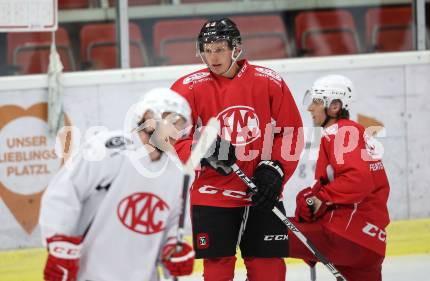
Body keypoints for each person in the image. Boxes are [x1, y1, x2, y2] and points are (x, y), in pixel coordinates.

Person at [171, 18, 304, 281]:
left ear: (236, 48)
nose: (213, 57)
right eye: (207, 50)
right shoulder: (189, 87)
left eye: (219, 49)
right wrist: (201, 151)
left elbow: (290, 133)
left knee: (270, 272)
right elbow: (170, 137)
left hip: (261, 193)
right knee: (217, 273)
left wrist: (275, 170)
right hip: (213, 195)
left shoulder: (269, 82)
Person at [39, 88, 195, 281]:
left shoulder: (177, 174)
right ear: (146, 116)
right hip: (89, 274)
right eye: (168, 119)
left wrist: (173, 249)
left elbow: (171, 224)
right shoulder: (108, 149)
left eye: (179, 124)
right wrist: (59, 243)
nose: (174, 129)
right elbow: (65, 192)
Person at [288, 75, 390, 281]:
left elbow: (358, 179)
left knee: (263, 233)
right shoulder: (354, 133)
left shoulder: (341, 132)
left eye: (316, 101)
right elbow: (348, 183)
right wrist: (312, 199)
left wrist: (320, 198)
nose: (310, 108)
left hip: (345, 234)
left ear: (334, 106)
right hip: (369, 244)